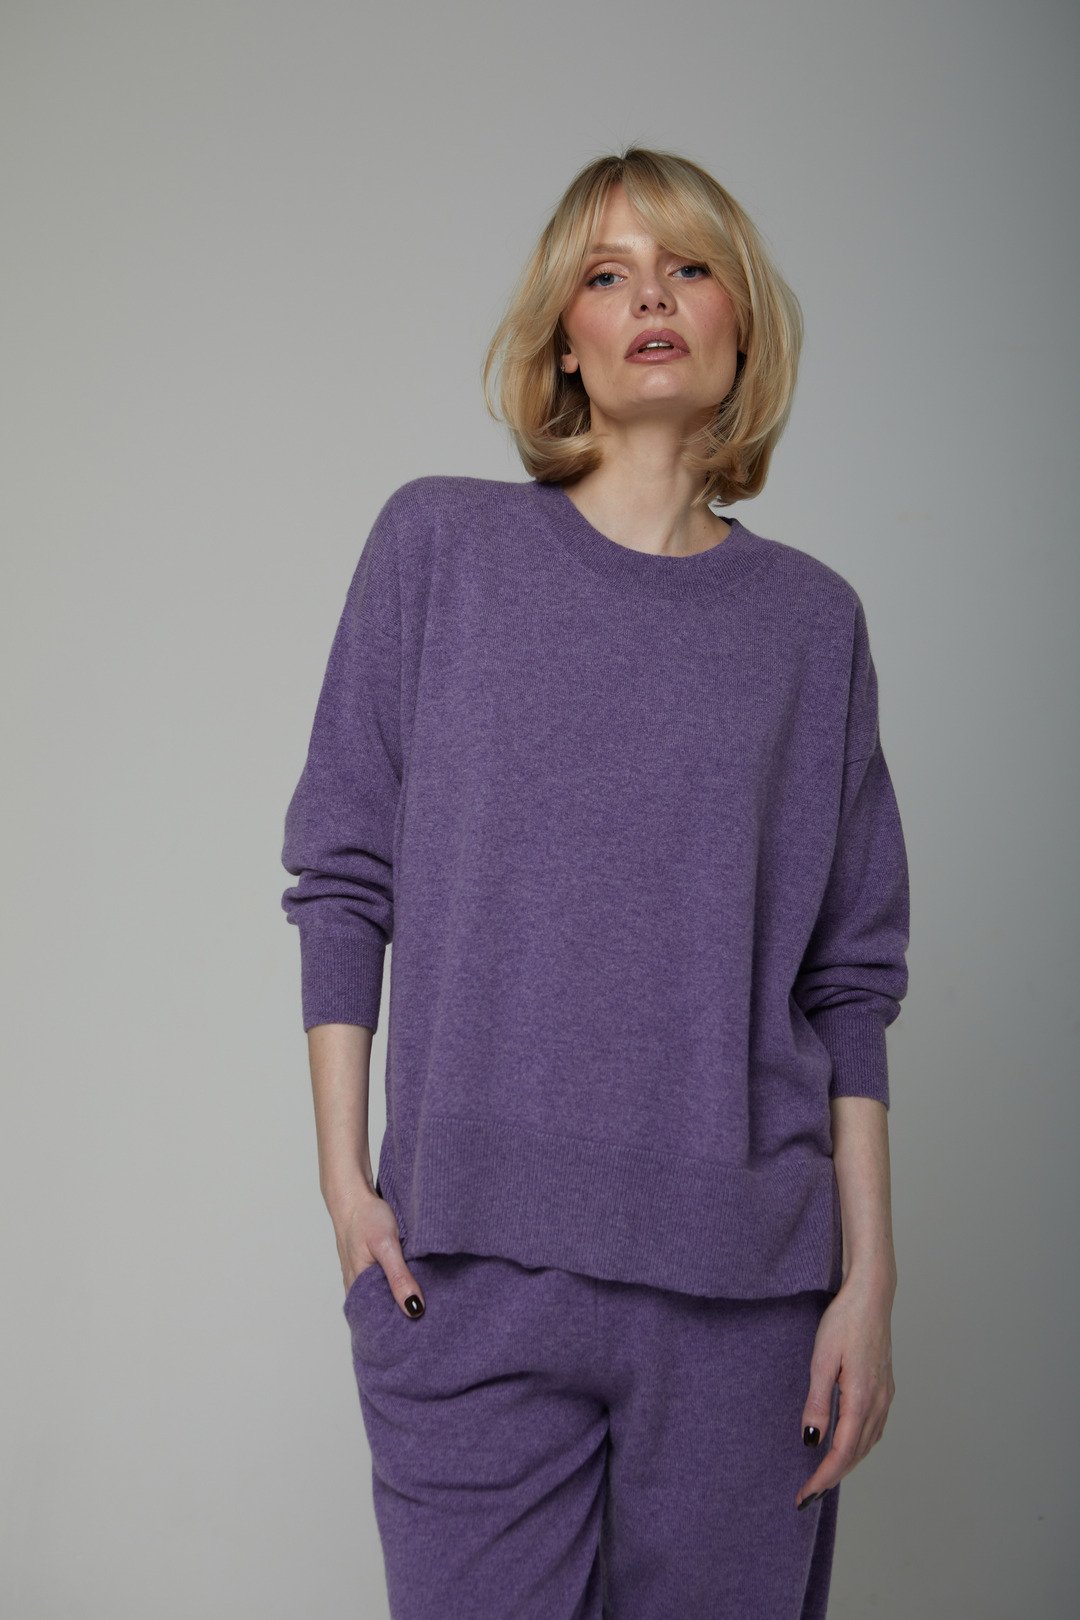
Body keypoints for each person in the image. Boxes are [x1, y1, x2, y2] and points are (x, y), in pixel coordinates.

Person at [279, 145, 910, 1619]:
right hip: (471, 1272)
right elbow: (343, 874)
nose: (652, 300)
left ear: (742, 319)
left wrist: (870, 1283)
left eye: (689, 268)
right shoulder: (439, 548)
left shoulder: (812, 625)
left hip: (747, 1298)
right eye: (609, 275)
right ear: (564, 335)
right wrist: (345, 1186)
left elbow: (850, 982)